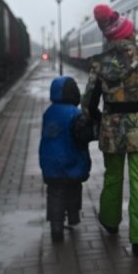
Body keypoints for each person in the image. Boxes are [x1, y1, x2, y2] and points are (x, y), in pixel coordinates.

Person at [82, 4, 138, 258]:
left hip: (111, 129)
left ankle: (110, 221)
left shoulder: (99, 64)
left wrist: (103, 120)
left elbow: (89, 102)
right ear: (128, 33)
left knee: (113, 177)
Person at [39, 75, 93, 242]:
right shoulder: (75, 114)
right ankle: (73, 217)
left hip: (50, 163)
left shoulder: (48, 112)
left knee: (55, 194)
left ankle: (56, 227)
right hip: (71, 162)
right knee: (73, 190)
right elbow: (83, 135)